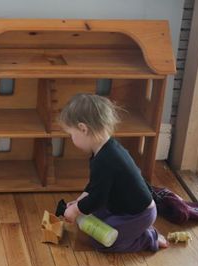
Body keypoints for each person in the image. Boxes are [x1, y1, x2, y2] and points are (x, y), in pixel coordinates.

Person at [59, 93, 168, 252]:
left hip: (138, 215)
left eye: (71, 134)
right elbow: (96, 186)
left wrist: (76, 210)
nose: (71, 138)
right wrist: (80, 201)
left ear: (83, 129)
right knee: (93, 217)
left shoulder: (106, 160)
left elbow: (98, 197)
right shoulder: (105, 150)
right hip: (121, 206)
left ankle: (148, 238)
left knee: (103, 242)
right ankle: (133, 232)